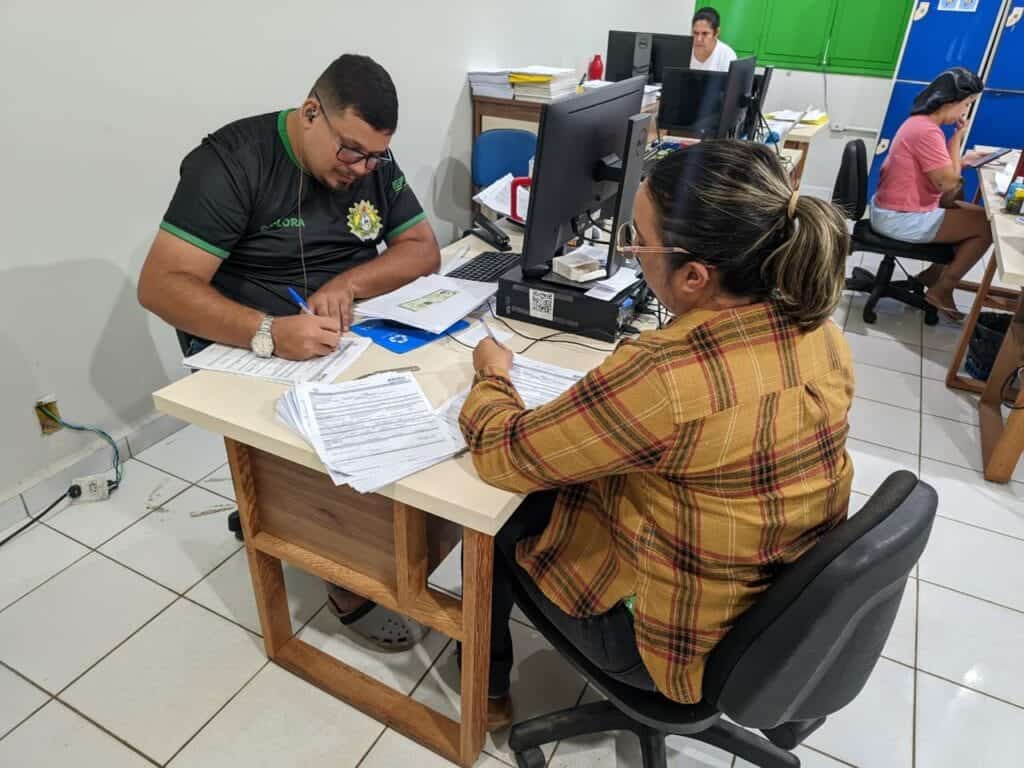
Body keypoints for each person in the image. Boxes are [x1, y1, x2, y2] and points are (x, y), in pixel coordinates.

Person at [460, 140, 855, 728]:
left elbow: (502, 454)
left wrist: (492, 375)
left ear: (694, 276)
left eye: (638, 242)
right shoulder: (820, 330)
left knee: (496, 521)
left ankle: (485, 695)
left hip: (675, 649)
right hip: (768, 616)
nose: (632, 253)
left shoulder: (666, 376)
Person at [139, 53, 440, 651]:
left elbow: (422, 248)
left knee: (429, 395)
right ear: (310, 114)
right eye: (351, 152)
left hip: (340, 332)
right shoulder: (230, 163)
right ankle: (343, 570)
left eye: (375, 157)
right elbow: (160, 286)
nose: (362, 169)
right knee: (347, 430)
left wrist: (349, 283)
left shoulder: (368, 159)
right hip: (257, 341)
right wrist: (269, 332)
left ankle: (392, 543)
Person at [870, 67, 990, 322]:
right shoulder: (927, 131)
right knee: (986, 226)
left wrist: (961, 158)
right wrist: (957, 141)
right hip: (898, 218)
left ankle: (933, 275)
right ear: (950, 101)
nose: (965, 112)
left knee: (970, 210)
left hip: (893, 210)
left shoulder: (920, 123)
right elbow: (949, 183)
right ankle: (942, 289)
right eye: (966, 104)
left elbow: (942, 175)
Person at [690, 6, 737, 72]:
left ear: (717, 32)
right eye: (695, 33)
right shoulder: (683, 50)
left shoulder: (727, 55)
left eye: (705, 33)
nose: (699, 39)